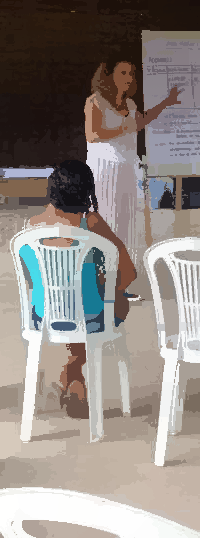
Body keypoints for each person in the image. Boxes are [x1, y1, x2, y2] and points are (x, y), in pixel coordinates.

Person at [17, 161, 136, 419]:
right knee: (111, 303)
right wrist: (107, 289)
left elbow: (32, 279)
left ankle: (73, 378)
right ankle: (72, 373)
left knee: (70, 305)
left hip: (42, 317)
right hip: (90, 317)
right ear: (86, 192)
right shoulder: (90, 223)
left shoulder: (31, 226)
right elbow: (128, 273)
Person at [85, 60, 180, 292]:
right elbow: (92, 134)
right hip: (104, 170)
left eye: (131, 73)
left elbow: (140, 122)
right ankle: (100, 283)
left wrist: (166, 103)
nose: (128, 77)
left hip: (127, 169)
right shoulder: (95, 101)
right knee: (105, 222)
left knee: (125, 224)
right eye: (123, 72)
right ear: (109, 75)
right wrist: (124, 128)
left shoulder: (129, 103)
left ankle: (120, 285)